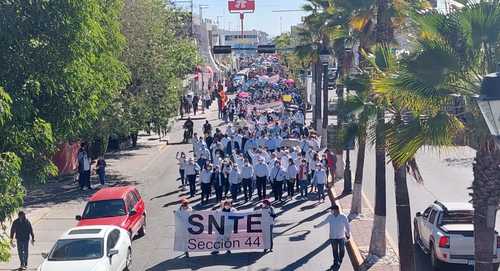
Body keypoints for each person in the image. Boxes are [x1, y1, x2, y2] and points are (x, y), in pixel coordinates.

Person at [314, 205, 351, 270]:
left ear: (336, 210)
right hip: (333, 237)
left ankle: (340, 259)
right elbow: (324, 222)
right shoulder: (330, 217)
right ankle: (335, 262)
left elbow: (347, 226)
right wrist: (317, 226)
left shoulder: (343, 217)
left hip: (341, 237)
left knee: (342, 250)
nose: (331, 211)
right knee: (335, 251)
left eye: (332, 210)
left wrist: (348, 234)